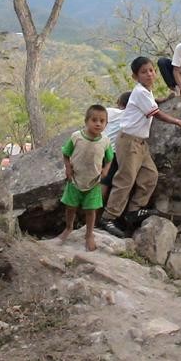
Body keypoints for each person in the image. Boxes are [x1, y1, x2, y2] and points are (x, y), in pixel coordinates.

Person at [98, 57, 181, 238]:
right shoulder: (140, 91)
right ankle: (108, 217)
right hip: (129, 141)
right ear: (135, 76)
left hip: (140, 142)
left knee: (150, 175)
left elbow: (151, 102)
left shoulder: (145, 92)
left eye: (151, 70)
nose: (149, 74)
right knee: (125, 179)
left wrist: (164, 98)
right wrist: (178, 122)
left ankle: (134, 210)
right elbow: (156, 113)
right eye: (143, 72)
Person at [59, 104, 115, 251]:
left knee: (91, 210)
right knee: (70, 207)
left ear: (106, 123)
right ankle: (69, 227)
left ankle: (89, 234)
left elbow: (109, 158)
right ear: (86, 121)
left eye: (102, 121)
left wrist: (105, 170)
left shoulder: (105, 141)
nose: (98, 124)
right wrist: (68, 168)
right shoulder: (76, 137)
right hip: (75, 180)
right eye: (94, 120)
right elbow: (66, 153)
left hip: (93, 182)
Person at [100, 91, 132, 202]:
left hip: (99, 147)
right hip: (113, 152)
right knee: (105, 182)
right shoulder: (131, 116)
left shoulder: (109, 111)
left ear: (119, 102)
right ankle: (96, 208)